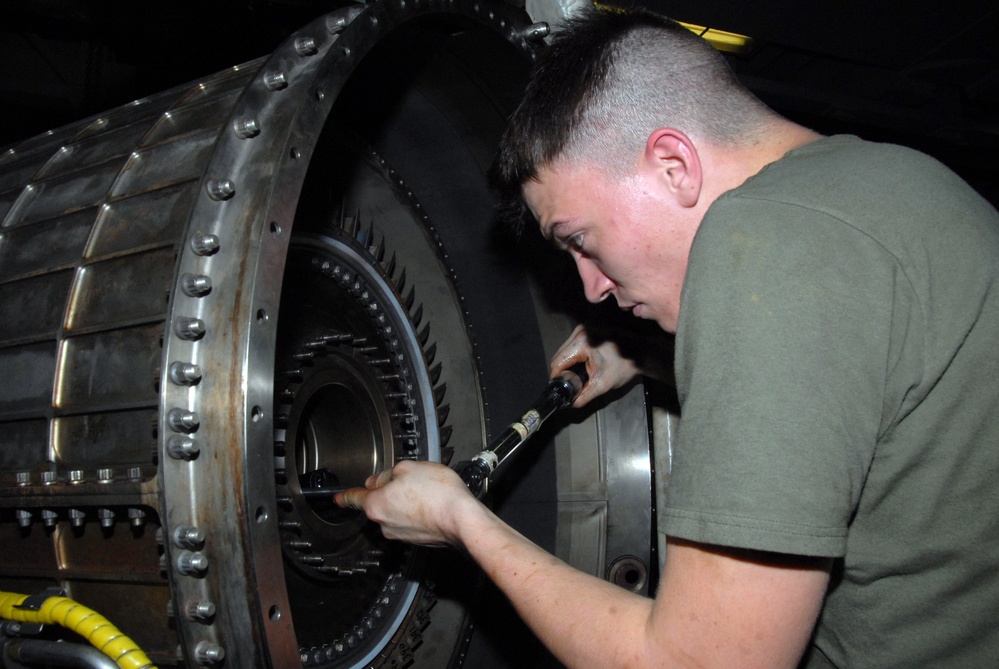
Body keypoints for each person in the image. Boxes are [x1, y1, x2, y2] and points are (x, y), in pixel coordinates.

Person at [337, 6, 999, 668]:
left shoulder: (761, 245)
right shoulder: (900, 185)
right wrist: (652, 358)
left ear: (672, 165)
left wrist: (459, 521)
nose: (592, 287)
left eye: (579, 240)